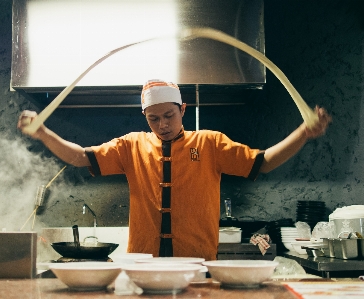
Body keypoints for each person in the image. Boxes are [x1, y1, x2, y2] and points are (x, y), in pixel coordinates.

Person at [17, 79, 332, 261]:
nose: (162, 124)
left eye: (169, 115)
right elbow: (81, 157)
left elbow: (263, 163)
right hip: (144, 262)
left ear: (183, 109)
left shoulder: (209, 143)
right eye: (153, 118)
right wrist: (43, 133)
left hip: (197, 260)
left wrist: (303, 133)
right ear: (145, 116)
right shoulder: (131, 145)